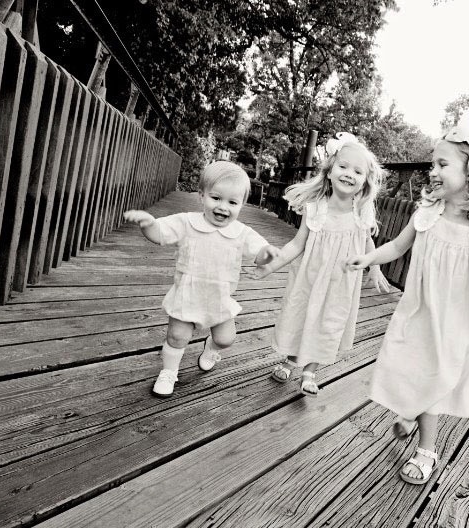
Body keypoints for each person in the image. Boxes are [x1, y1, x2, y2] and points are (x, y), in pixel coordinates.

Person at [345, 124, 469, 484]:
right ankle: (412, 408)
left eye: (442, 164)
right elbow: (396, 247)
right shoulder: (427, 214)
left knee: (439, 374)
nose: (432, 172)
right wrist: (368, 258)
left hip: (457, 321)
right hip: (419, 311)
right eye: (432, 165)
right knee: (410, 366)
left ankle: (427, 451)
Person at [252, 132, 392, 396]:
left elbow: (367, 243)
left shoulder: (361, 210)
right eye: (343, 166)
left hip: (340, 283)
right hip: (309, 277)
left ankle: (310, 371)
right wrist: (273, 264)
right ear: (329, 172)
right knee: (301, 315)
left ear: (364, 181)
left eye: (357, 171)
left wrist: (374, 266)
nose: (349, 173)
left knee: (329, 322)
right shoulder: (315, 207)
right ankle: (291, 361)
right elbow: (297, 243)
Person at [123, 161, 278, 397]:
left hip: (219, 298)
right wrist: (148, 224)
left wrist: (267, 254)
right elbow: (160, 234)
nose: (223, 207)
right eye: (216, 198)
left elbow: (259, 253)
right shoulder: (187, 222)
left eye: (232, 202)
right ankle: (169, 372)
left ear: (242, 205)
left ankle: (211, 348)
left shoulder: (242, 232)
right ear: (201, 195)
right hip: (188, 293)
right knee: (177, 337)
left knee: (226, 339)